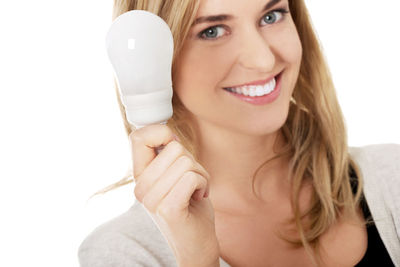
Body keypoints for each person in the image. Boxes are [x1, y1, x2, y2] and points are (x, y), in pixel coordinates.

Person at [78, 0, 400, 266]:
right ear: (152, 58)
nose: (263, 60)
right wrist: (197, 257)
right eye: (212, 31)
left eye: (271, 16)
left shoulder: (392, 178)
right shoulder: (123, 253)